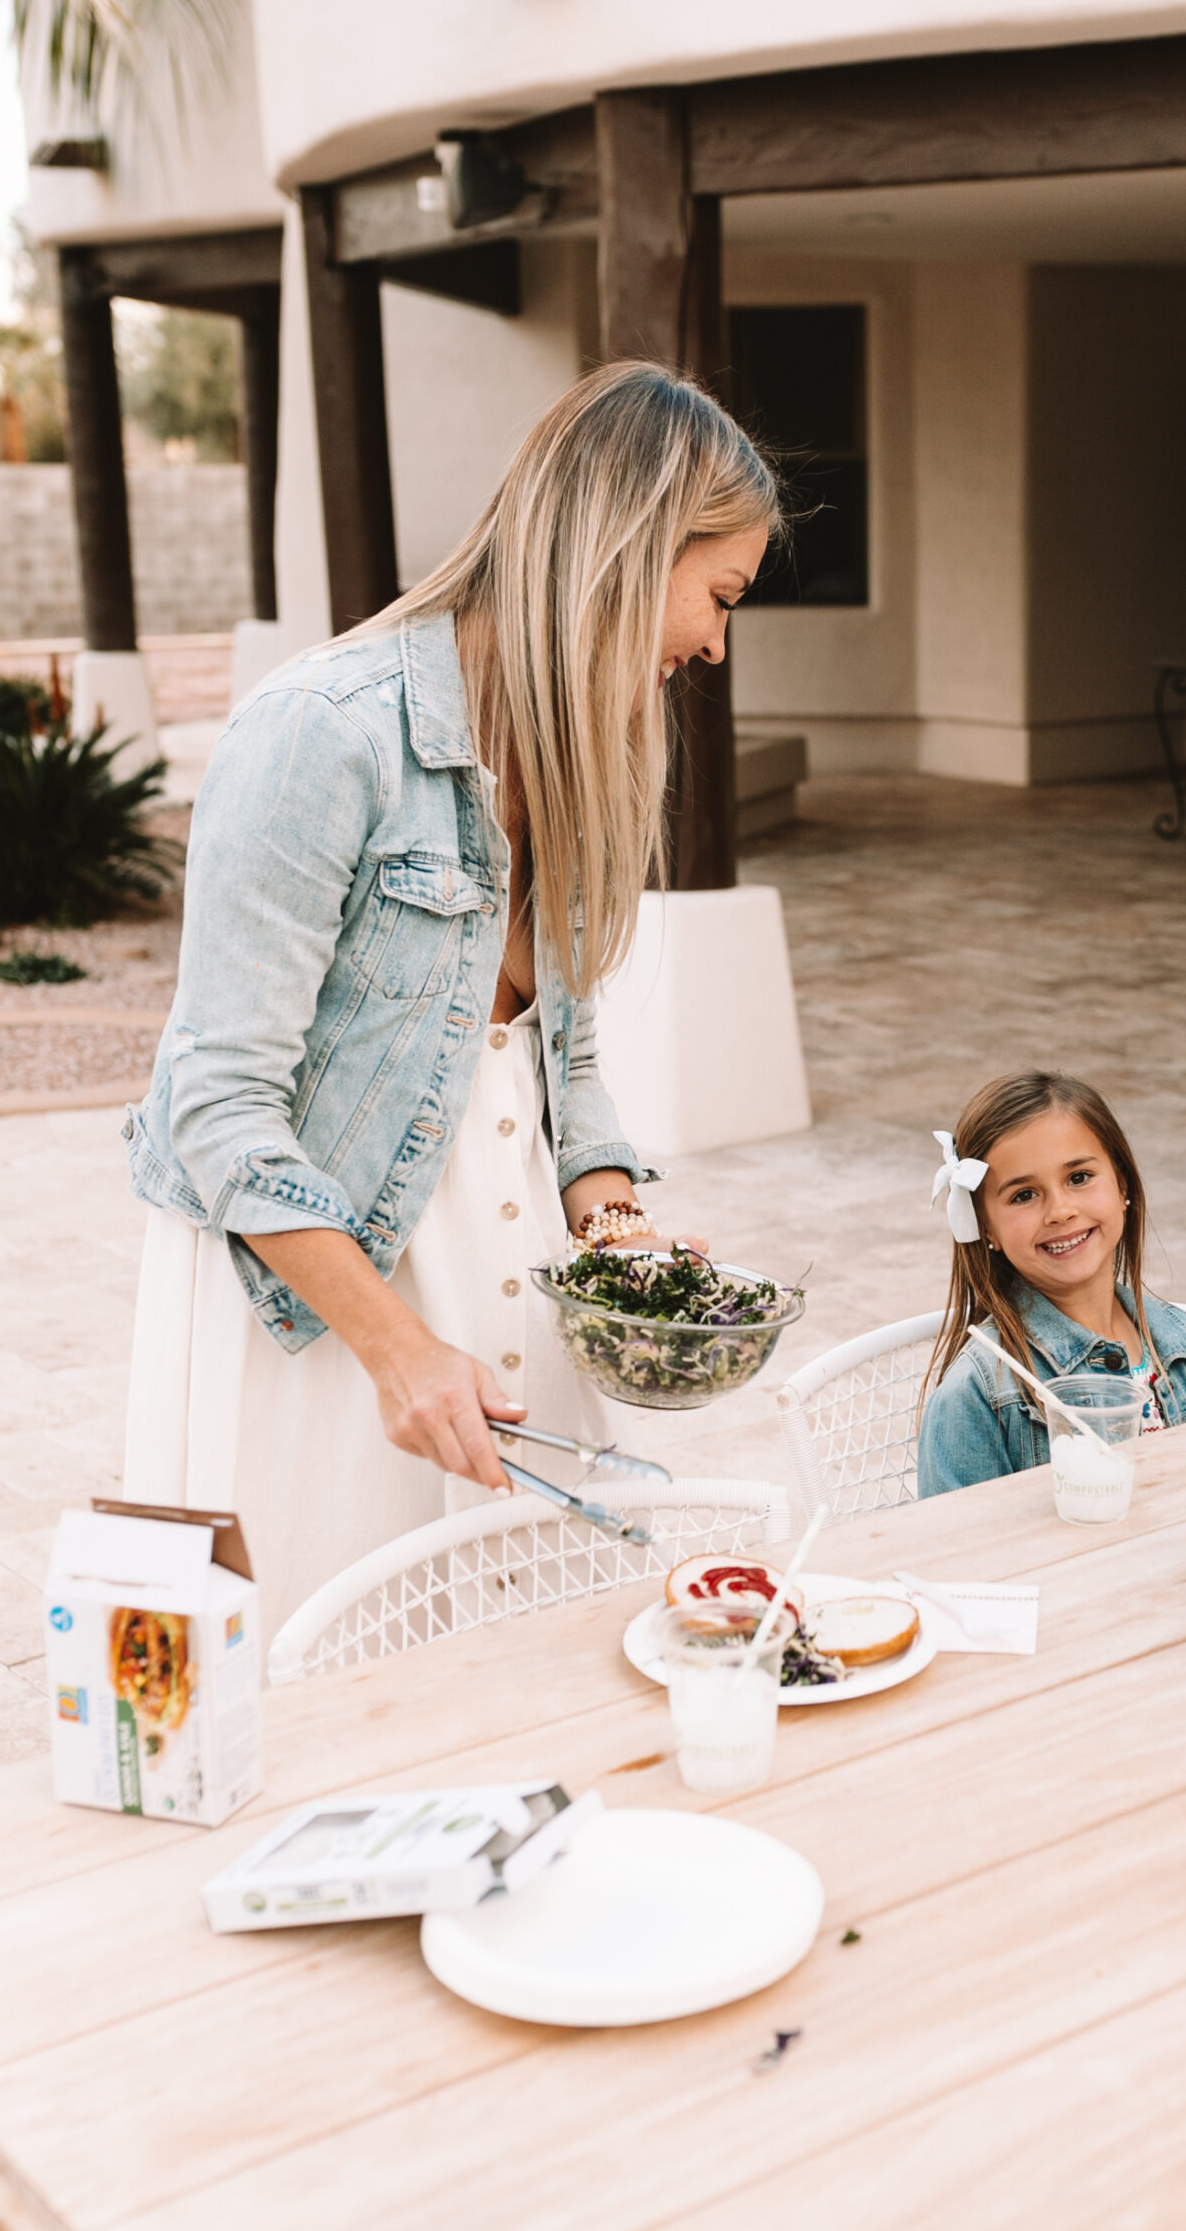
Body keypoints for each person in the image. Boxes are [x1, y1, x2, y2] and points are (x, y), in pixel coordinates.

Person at [121, 361, 780, 1647]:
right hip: (320, 1306)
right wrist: (397, 1348)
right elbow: (213, 1101)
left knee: (531, 1667)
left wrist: (614, 1222)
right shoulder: (324, 730)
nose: (713, 642)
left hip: (510, 1275)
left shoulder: (580, 747)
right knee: (338, 1679)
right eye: (717, 594)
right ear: (623, 549)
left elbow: (558, 1051)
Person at [917, 1069, 1186, 1496]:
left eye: (1079, 1178)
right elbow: (951, 1554)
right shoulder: (975, 1398)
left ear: (1122, 1183)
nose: (1061, 1211)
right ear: (985, 1226)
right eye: (1023, 1195)